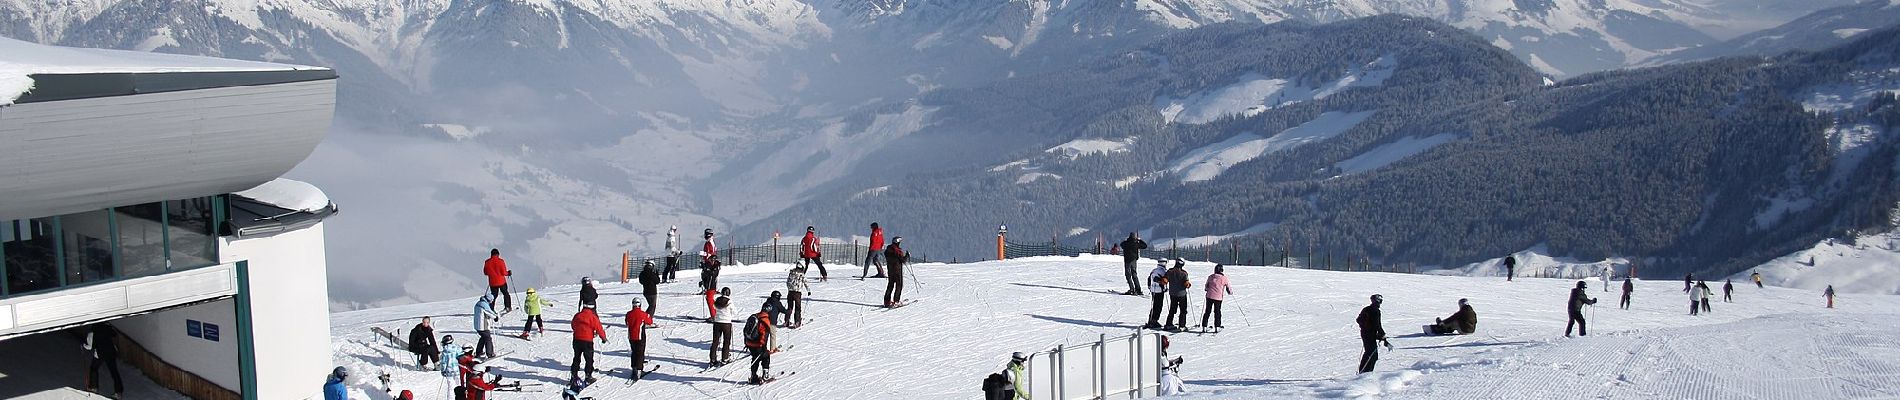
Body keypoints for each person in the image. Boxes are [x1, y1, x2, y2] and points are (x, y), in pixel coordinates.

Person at [570, 303, 608, 382]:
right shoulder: (593, 317)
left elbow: (573, 325)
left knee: (576, 357)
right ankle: (588, 376)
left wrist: (579, 331)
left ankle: (574, 375)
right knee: (589, 359)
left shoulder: (577, 315)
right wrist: (603, 338)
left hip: (577, 340)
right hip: (587, 341)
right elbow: (599, 328)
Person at [84, 323, 124, 397]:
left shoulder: (92, 333)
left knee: (94, 368)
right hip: (111, 352)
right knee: (114, 372)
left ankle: (94, 387)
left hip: (100, 353)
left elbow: (89, 347)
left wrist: (83, 345)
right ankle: (118, 393)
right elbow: (114, 334)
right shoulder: (107, 328)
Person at [743, 304, 778, 384]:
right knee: (765, 357)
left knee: (755, 358)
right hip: (758, 344)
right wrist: (763, 345)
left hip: (750, 343)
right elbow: (764, 334)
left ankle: (753, 376)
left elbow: (745, 330)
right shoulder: (765, 320)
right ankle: (765, 376)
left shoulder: (754, 316)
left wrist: (746, 342)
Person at [1356, 294, 1391, 373]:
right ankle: (1365, 373)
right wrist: (1382, 335)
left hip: (1364, 333)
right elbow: (1377, 325)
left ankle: (1364, 371)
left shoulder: (1366, 309)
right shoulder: (1375, 311)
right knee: (1372, 354)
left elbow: (1358, 320)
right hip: (1370, 334)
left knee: (1369, 352)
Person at [626, 298, 658, 381]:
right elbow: (650, 322)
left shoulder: (628, 314)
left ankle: (634, 368)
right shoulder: (643, 314)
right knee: (640, 352)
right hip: (640, 336)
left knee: (634, 352)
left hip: (631, 336)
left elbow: (626, 322)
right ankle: (639, 370)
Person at [1201, 264, 1233, 331]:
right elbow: (1228, 287)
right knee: (1217, 312)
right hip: (1218, 298)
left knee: (1207, 311)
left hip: (1209, 296)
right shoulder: (1224, 278)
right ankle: (1217, 326)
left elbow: (1206, 286)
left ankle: (1204, 326)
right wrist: (1230, 292)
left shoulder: (1210, 277)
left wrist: (1207, 289)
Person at [1163, 260, 1192, 331]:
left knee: (1172, 309)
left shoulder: (1170, 271)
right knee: (1183, 310)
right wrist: (1188, 285)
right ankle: (1182, 325)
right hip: (1182, 294)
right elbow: (1186, 283)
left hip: (1172, 294)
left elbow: (1165, 280)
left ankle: (1168, 324)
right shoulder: (1184, 273)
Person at [883, 237, 910, 307]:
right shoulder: (897, 251)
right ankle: (896, 301)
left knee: (890, 285)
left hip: (890, 270)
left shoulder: (888, 250)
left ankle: (886, 301)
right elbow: (903, 260)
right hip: (897, 270)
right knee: (899, 285)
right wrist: (907, 256)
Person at [710, 289, 734, 365]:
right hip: (726, 323)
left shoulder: (717, 300)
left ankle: (713, 359)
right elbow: (735, 311)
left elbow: (714, 306)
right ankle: (725, 358)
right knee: (726, 342)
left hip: (717, 322)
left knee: (715, 341)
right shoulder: (729, 301)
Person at [473, 294, 499, 358]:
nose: (492, 302)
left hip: (477, 325)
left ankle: (479, 352)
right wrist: (495, 317)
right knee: (488, 339)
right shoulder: (484, 305)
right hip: (483, 326)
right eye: (491, 300)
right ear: (488, 299)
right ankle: (490, 354)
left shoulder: (478, 303)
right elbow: (489, 312)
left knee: (483, 338)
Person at [1144, 259, 1167, 329]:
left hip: (1153, 290)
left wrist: (1149, 287)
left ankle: (1151, 320)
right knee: (1158, 306)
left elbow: (1149, 279)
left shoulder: (1154, 270)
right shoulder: (1163, 271)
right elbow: (1164, 281)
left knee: (1154, 305)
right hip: (1159, 290)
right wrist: (1165, 288)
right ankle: (1154, 321)